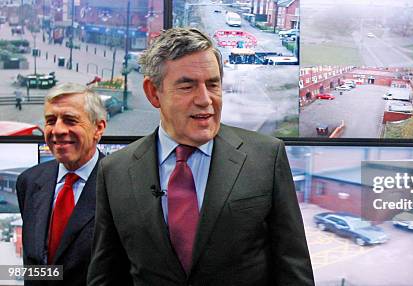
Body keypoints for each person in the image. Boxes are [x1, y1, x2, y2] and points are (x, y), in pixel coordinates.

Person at [87, 28, 314, 286]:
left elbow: (294, 271)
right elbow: (106, 275)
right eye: (187, 86)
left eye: (213, 84)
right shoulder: (115, 171)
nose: (205, 100)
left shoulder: (265, 157)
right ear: (153, 93)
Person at [16, 83, 107, 286]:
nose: (57, 130)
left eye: (70, 120)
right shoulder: (29, 182)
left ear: (98, 128)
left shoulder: (120, 184)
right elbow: (36, 264)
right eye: (50, 121)